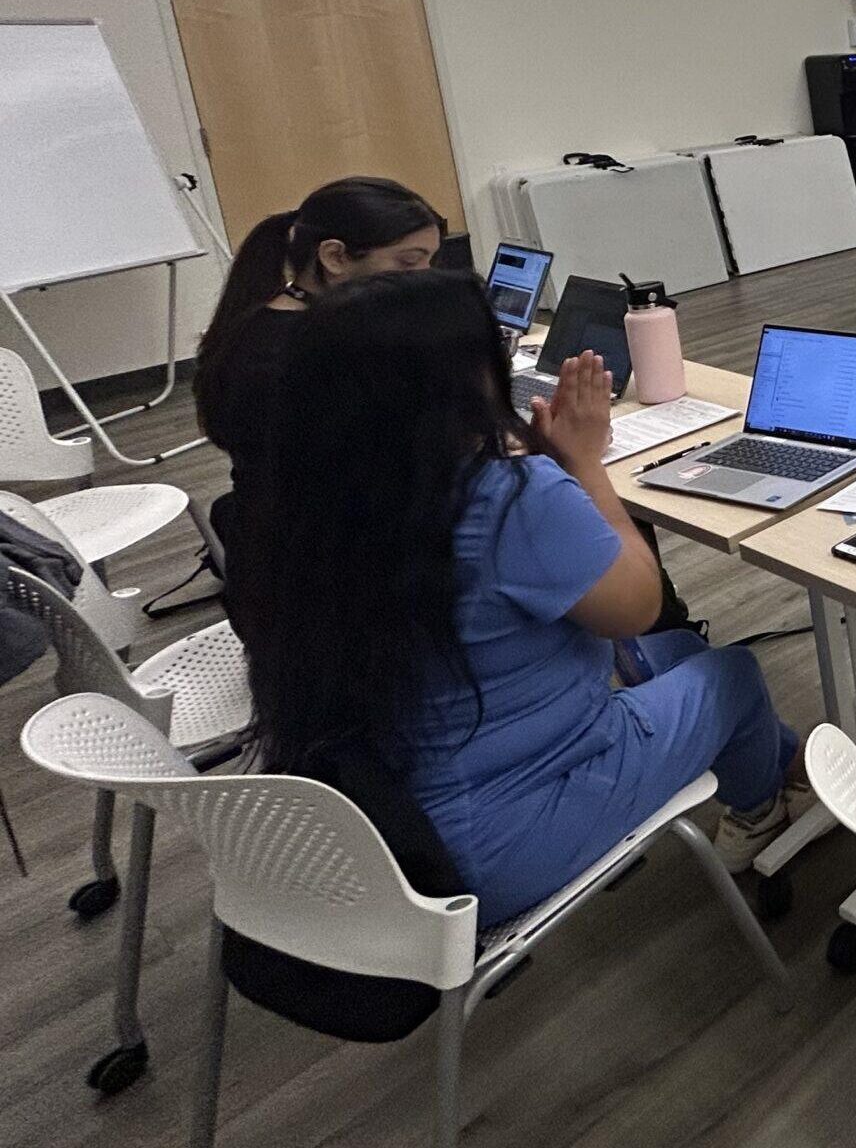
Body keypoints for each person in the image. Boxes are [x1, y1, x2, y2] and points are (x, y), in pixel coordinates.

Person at [229, 273, 801, 926]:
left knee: (669, 652)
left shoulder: (316, 495)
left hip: (388, 816)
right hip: (497, 841)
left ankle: (784, 764)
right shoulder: (506, 497)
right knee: (731, 676)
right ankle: (762, 812)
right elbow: (639, 602)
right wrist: (583, 464)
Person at [193, 178, 447, 558]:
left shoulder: (279, 319)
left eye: (429, 261)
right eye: (408, 262)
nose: (426, 277)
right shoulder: (294, 355)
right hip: (317, 559)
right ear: (334, 257)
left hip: (286, 535)